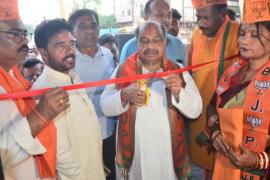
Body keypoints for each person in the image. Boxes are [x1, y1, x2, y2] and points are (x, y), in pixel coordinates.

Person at [100, 21, 202, 180]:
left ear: (165, 42)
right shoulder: (123, 70)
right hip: (136, 161)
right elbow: (105, 106)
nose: (150, 46)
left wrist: (178, 91)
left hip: (167, 160)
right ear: (136, 42)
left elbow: (196, 110)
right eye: (144, 40)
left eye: (156, 40)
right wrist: (125, 95)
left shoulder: (177, 70)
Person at [0, 1, 70, 179]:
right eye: (15, 34)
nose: (24, 40)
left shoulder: (15, 74)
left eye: (24, 33)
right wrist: (42, 114)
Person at [33, 18, 105, 180]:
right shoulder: (43, 91)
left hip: (93, 169)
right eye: (60, 45)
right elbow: (59, 152)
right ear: (44, 53)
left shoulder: (73, 76)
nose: (70, 50)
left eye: (71, 44)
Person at [206, 1, 270, 179]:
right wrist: (216, 133)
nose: (244, 40)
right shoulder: (234, 72)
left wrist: (258, 160)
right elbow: (212, 106)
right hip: (226, 164)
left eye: (254, 35)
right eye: (242, 33)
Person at [188, 0, 240, 179]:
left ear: (223, 12)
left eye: (206, 18)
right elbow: (189, 75)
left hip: (225, 128)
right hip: (197, 124)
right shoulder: (195, 35)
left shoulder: (239, 34)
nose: (201, 23)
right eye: (198, 17)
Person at [68, 9, 116, 180]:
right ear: (72, 32)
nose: (89, 31)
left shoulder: (108, 54)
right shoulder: (68, 59)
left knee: (110, 172)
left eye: (93, 26)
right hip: (82, 133)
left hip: (108, 129)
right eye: (82, 26)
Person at [119, 0, 188, 66]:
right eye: (160, 15)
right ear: (146, 18)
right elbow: (123, 76)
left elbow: (183, 74)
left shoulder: (178, 44)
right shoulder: (130, 47)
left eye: (169, 15)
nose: (167, 20)